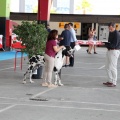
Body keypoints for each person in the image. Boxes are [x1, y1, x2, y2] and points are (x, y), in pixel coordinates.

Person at [103, 22, 120, 87]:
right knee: (107, 66)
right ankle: (110, 80)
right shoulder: (111, 33)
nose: (109, 29)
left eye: (110, 28)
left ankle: (114, 82)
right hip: (109, 50)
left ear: (113, 27)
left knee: (113, 67)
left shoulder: (117, 34)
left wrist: (105, 44)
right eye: (109, 28)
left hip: (114, 51)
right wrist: (105, 44)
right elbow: (109, 42)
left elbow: (114, 45)